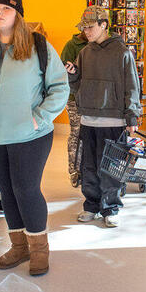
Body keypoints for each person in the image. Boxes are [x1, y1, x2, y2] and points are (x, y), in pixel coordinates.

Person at [0, 0, 69, 275]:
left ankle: (39, 249)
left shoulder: (37, 46)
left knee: (26, 190)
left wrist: (39, 118)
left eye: (6, 8)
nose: (0, 13)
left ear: (18, 14)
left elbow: (60, 87)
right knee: (6, 191)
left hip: (31, 135)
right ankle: (19, 247)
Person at [65, 7, 141, 228]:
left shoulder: (123, 53)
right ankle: (91, 205)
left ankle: (111, 207)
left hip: (113, 120)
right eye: (84, 28)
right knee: (88, 166)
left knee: (111, 168)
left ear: (104, 25)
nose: (86, 31)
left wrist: (132, 116)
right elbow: (79, 85)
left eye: (90, 27)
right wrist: (73, 75)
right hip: (88, 119)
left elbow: (132, 86)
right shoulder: (84, 53)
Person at [60, 29, 89, 187]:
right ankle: (74, 170)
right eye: (85, 28)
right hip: (74, 99)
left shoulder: (99, 44)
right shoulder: (71, 46)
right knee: (76, 134)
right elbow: (63, 73)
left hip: (92, 100)